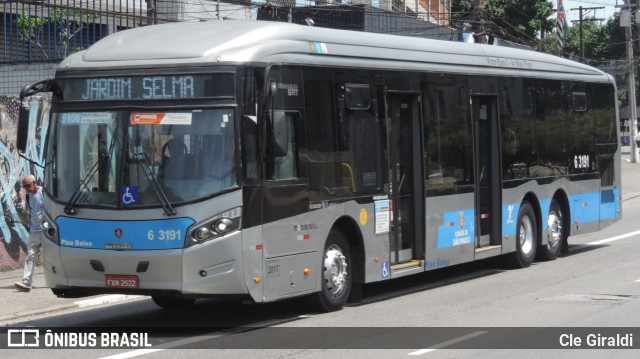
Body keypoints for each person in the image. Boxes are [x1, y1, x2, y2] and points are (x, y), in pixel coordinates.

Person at [15, 174, 44, 292]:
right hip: (34, 231)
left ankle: (61, 280)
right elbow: (31, 212)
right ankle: (26, 282)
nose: (26, 189)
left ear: (34, 182)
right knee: (30, 255)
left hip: (47, 230)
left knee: (51, 256)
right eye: (24, 187)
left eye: (28, 185)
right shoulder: (28, 196)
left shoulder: (44, 192)